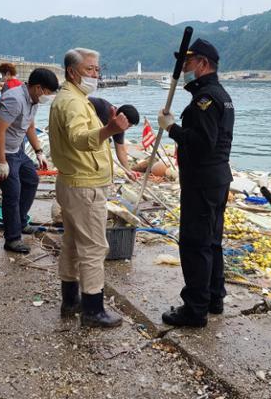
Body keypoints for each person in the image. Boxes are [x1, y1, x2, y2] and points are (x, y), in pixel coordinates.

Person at [49, 47, 130, 328]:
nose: (95, 74)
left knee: (72, 244)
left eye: (97, 69)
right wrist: (109, 130)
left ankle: (70, 299)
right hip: (84, 187)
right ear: (72, 72)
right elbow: (78, 138)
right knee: (95, 247)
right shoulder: (72, 102)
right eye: (89, 69)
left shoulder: (74, 98)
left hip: (72, 182)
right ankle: (93, 310)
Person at [157, 38, 235, 327]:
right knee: (211, 242)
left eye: (188, 63)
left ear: (202, 63)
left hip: (203, 181)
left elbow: (203, 143)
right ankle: (213, 297)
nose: (185, 68)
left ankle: (195, 309)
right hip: (215, 180)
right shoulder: (217, 94)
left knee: (195, 244)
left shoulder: (206, 99)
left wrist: (173, 128)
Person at [0, 68, 58, 254]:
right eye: (48, 93)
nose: (49, 97)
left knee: (31, 180)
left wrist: (39, 151)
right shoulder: (15, 99)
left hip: (16, 149)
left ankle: (21, 221)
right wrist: (1, 162)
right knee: (12, 193)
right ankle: (12, 239)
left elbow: (29, 126)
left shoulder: (33, 100)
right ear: (39, 88)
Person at [88, 97, 140, 173]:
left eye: (128, 127)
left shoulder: (120, 128)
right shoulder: (101, 106)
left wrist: (128, 171)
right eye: (128, 126)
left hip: (92, 141)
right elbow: (82, 100)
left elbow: (120, 150)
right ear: (122, 117)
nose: (126, 128)